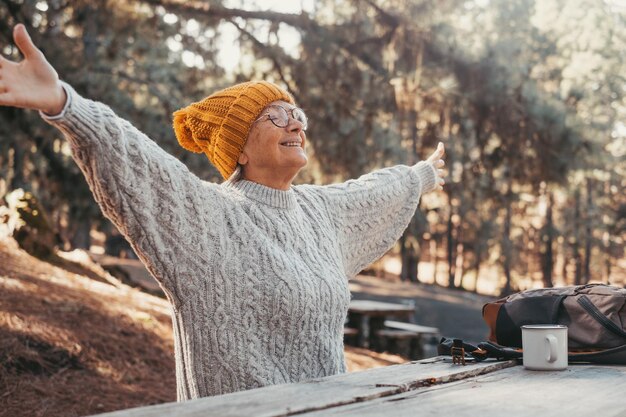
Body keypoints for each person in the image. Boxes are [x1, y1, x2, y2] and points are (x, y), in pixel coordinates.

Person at [0, 24, 446, 400]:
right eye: (276, 117)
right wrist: (64, 103)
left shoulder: (319, 212)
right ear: (241, 149)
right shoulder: (209, 219)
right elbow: (135, 160)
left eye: (297, 115)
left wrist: (422, 175)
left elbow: (372, 193)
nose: (295, 124)